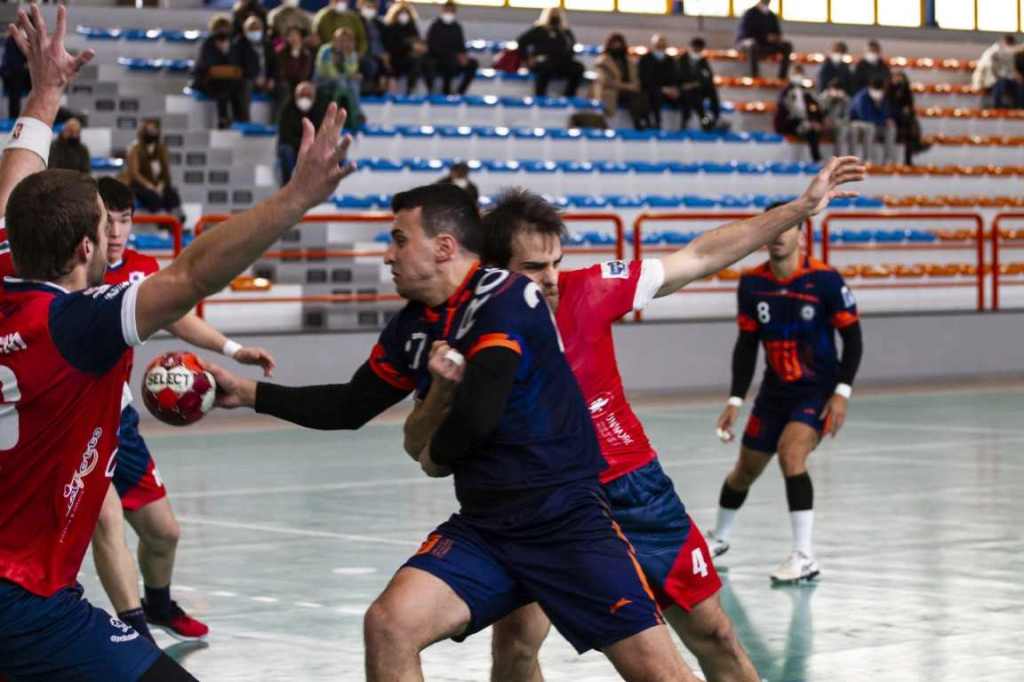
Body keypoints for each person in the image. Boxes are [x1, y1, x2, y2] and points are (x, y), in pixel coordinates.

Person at [208, 183, 699, 682]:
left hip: (566, 525)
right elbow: (349, 405)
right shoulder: (411, 328)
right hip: (487, 528)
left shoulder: (509, 297)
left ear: (443, 247)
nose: (387, 255)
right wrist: (248, 394)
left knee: (663, 676)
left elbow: (477, 416)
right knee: (389, 625)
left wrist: (434, 455)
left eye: (399, 240)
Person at [403, 157, 865, 682]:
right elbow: (426, 445)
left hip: (631, 488)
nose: (552, 279)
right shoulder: (466, 333)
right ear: (493, 271)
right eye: (534, 268)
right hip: (541, 503)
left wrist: (799, 209)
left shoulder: (590, 290)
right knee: (515, 648)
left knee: (714, 634)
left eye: (556, 262)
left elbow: (699, 255)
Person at [0, 5, 355, 680]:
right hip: (24, 599)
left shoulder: (4, 264)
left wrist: (44, 96)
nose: (112, 235)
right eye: (103, 226)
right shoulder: (76, 325)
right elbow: (191, 273)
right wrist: (295, 198)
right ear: (83, 247)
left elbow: (14, 183)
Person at [90, 177, 275, 643]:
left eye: (125, 220)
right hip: (70, 424)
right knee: (106, 521)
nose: (116, 231)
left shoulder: (141, 271)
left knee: (164, 533)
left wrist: (233, 350)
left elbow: (175, 315)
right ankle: (136, 638)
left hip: (119, 420)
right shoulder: (71, 267)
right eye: (106, 220)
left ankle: (156, 605)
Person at [708, 205, 864, 585]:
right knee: (744, 471)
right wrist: (735, 400)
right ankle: (720, 538)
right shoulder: (751, 284)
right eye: (772, 227)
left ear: (801, 234)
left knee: (791, 454)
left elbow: (853, 338)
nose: (779, 234)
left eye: (788, 227)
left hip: (816, 392)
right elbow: (746, 346)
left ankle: (804, 556)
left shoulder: (824, 280)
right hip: (773, 394)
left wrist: (841, 393)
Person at [122, 119, 185, 223]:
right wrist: (149, 185)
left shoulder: (162, 149)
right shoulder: (135, 150)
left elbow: (165, 171)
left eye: (154, 130)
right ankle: (162, 222)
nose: (151, 133)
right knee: (153, 198)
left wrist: (161, 184)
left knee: (172, 195)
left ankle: (177, 220)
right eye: (149, 130)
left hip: (158, 184)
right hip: (140, 186)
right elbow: (135, 173)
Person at [192, 15, 248, 129]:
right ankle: (223, 119)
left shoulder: (233, 44)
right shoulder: (208, 44)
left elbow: (237, 65)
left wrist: (226, 52)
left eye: (225, 29)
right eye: (220, 29)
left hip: (228, 80)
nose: (223, 32)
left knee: (240, 85)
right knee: (223, 87)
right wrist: (221, 53)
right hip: (209, 80)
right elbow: (207, 66)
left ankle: (240, 119)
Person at [516, 7, 584, 98]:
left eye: (557, 14)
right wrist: (528, 58)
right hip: (544, 61)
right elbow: (521, 42)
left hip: (561, 62)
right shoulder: (539, 29)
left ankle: (569, 96)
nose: (555, 17)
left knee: (578, 68)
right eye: (553, 14)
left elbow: (572, 46)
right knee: (546, 67)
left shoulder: (565, 32)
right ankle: (540, 96)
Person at [592, 33, 648, 129]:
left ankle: (645, 121)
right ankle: (638, 122)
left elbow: (635, 79)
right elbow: (606, 82)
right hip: (612, 91)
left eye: (619, 43)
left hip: (628, 90)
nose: (617, 46)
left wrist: (633, 86)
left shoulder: (629, 62)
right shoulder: (603, 62)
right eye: (615, 44)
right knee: (633, 96)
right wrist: (627, 86)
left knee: (644, 94)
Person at [314, 27, 366, 129]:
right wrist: (348, 75)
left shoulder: (351, 53)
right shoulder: (326, 50)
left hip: (342, 80)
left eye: (346, 40)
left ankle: (356, 113)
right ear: (334, 39)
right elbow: (329, 72)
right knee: (342, 82)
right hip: (322, 80)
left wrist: (347, 56)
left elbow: (352, 71)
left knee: (354, 84)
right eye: (340, 40)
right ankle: (336, 114)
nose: (343, 43)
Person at [278, 81, 328, 185]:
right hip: (293, 147)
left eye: (308, 96)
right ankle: (287, 186)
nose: (305, 99)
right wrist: (302, 145)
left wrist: (310, 146)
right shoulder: (287, 110)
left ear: (314, 97)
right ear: (296, 96)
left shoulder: (320, 110)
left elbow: (322, 134)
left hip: (313, 148)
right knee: (285, 151)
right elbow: (285, 136)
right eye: (302, 96)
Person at [425, 1, 477, 96]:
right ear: (443, 10)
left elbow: (461, 46)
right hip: (438, 60)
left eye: (451, 11)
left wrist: (463, 56)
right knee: (449, 60)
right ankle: (446, 91)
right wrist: (453, 55)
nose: (449, 13)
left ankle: (460, 92)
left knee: (473, 64)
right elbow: (431, 46)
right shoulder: (435, 26)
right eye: (447, 10)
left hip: (454, 61)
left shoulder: (457, 27)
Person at [775, 66, 823, 162]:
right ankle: (817, 159)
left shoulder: (806, 92)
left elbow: (815, 108)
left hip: (803, 123)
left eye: (800, 74)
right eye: (796, 74)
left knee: (813, 129)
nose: (799, 77)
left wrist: (816, 121)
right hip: (789, 122)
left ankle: (817, 159)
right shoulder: (786, 92)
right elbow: (788, 111)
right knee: (810, 130)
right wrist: (807, 123)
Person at [383, 2, 432, 96]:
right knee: (415, 62)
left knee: (427, 61)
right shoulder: (390, 28)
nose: (404, 16)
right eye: (401, 13)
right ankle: (410, 91)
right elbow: (391, 47)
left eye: (406, 13)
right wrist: (410, 46)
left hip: (410, 57)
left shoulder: (412, 27)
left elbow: (418, 42)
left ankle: (429, 90)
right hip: (396, 59)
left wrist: (421, 47)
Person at [736, 0, 792, 79]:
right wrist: (765, 37)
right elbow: (746, 34)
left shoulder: (771, 16)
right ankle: (754, 76)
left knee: (787, 45)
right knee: (752, 44)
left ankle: (782, 77)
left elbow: (778, 33)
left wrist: (775, 38)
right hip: (749, 45)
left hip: (765, 45)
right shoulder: (750, 13)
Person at [638, 34, 681, 131]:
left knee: (687, 96)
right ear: (653, 44)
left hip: (668, 91)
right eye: (658, 42)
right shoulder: (645, 59)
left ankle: (684, 125)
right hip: (650, 90)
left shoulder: (671, 60)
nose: (661, 45)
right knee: (654, 95)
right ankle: (656, 123)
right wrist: (662, 89)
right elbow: (644, 79)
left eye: (663, 42)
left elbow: (675, 78)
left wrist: (674, 89)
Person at [850, 77, 897, 164]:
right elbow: (865, 116)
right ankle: (867, 158)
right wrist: (883, 120)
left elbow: (887, 113)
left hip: (877, 124)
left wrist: (888, 120)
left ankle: (888, 159)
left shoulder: (883, 97)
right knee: (870, 127)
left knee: (891, 129)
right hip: (859, 123)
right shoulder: (862, 97)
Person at [237, 15, 278, 114]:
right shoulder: (239, 45)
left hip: (266, 81)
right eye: (251, 29)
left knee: (283, 87)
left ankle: (278, 122)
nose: (255, 31)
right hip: (249, 80)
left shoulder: (267, 45)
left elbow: (275, 64)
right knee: (245, 85)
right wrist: (254, 77)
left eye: (257, 28)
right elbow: (238, 67)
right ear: (245, 31)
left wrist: (272, 78)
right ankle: (244, 118)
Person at [678, 37, 720, 131]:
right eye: (695, 48)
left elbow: (708, 77)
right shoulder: (681, 60)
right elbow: (677, 77)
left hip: (698, 88)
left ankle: (715, 116)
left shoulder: (703, 61)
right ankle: (701, 119)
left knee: (711, 90)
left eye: (699, 49)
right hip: (684, 89)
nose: (697, 51)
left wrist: (697, 84)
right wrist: (686, 85)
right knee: (692, 95)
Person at [887, 69, 928, 165]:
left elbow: (910, 107)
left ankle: (910, 155)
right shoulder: (888, 91)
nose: (898, 79)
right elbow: (888, 107)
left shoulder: (906, 91)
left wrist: (907, 111)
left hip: (905, 119)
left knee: (911, 128)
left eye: (900, 78)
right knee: (909, 129)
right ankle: (915, 147)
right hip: (893, 118)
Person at [973, 35, 1022, 109]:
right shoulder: (994, 51)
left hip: (1000, 79)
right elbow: (1008, 51)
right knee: (1001, 83)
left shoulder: (1008, 55)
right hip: (988, 80)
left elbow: (1008, 70)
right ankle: (997, 107)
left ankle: (1018, 107)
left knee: (1018, 85)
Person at [275, 26, 315, 115]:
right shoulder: (281, 52)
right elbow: (281, 71)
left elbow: (304, 74)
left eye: (296, 35)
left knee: (306, 90)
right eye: (290, 36)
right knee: (284, 88)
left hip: (299, 82)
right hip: (283, 82)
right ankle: (279, 119)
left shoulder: (306, 54)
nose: (293, 38)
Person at [357, 0, 390, 95]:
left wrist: (385, 54)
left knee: (385, 65)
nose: (370, 9)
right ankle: (366, 90)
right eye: (368, 6)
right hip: (364, 54)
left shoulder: (380, 24)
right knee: (370, 64)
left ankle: (380, 91)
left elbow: (385, 42)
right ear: (361, 5)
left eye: (373, 7)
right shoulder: (356, 20)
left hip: (379, 56)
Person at [820, 79, 852, 157]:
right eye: (834, 89)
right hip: (825, 124)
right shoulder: (824, 96)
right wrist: (829, 99)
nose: (836, 92)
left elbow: (847, 116)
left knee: (844, 130)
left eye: (838, 89)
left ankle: (838, 157)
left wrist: (843, 100)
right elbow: (820, 112)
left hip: (839, 124)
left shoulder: (846, 98)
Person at [1, 33, 30, 119]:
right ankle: (14, 118)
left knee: (15, 98)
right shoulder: (12, 40)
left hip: (18, 71)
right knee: (14, 98)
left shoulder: (13, 40)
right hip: (15, 72)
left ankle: (15, 117)